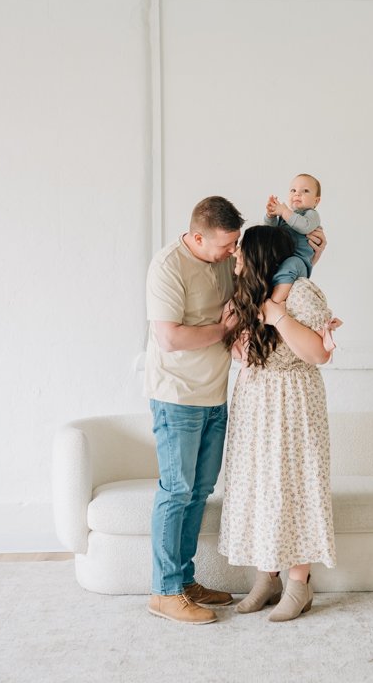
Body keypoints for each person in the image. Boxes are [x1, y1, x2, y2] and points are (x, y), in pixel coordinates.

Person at [144, 197, 326, 625]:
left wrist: (309, 252)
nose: (232, 253)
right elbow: (168, 338)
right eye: (226, 246)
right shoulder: (168, 267)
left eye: (236, 247)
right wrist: (226, 329)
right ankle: (165, 591)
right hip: (178, 395)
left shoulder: (231, 262)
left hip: (217, 397)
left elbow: (272, 259)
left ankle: (185, 582)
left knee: (197, 492)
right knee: (177, 491)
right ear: (197, 235)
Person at [218, 224, 341, 623]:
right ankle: (266, 578)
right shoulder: (247, 292)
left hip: (293, 402)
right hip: (255, 402)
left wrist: (278, 316)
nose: (235, 258)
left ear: (258, 256)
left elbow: (318, 354)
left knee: (295, 487)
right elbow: (241, 352)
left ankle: (298, 584)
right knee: (259, 489)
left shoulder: (301, 292)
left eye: (241, 253)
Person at [264, 173, 322, 303]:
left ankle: (273, 303)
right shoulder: (286, 217)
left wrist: (284, 212)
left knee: (290, 265)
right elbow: (270, 233)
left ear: (316, 201)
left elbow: (305, 226)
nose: (297, 194)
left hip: (300, 262)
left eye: (305, 191)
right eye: (293, 190)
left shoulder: (311, 215)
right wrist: (271, 216)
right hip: (281, 260)